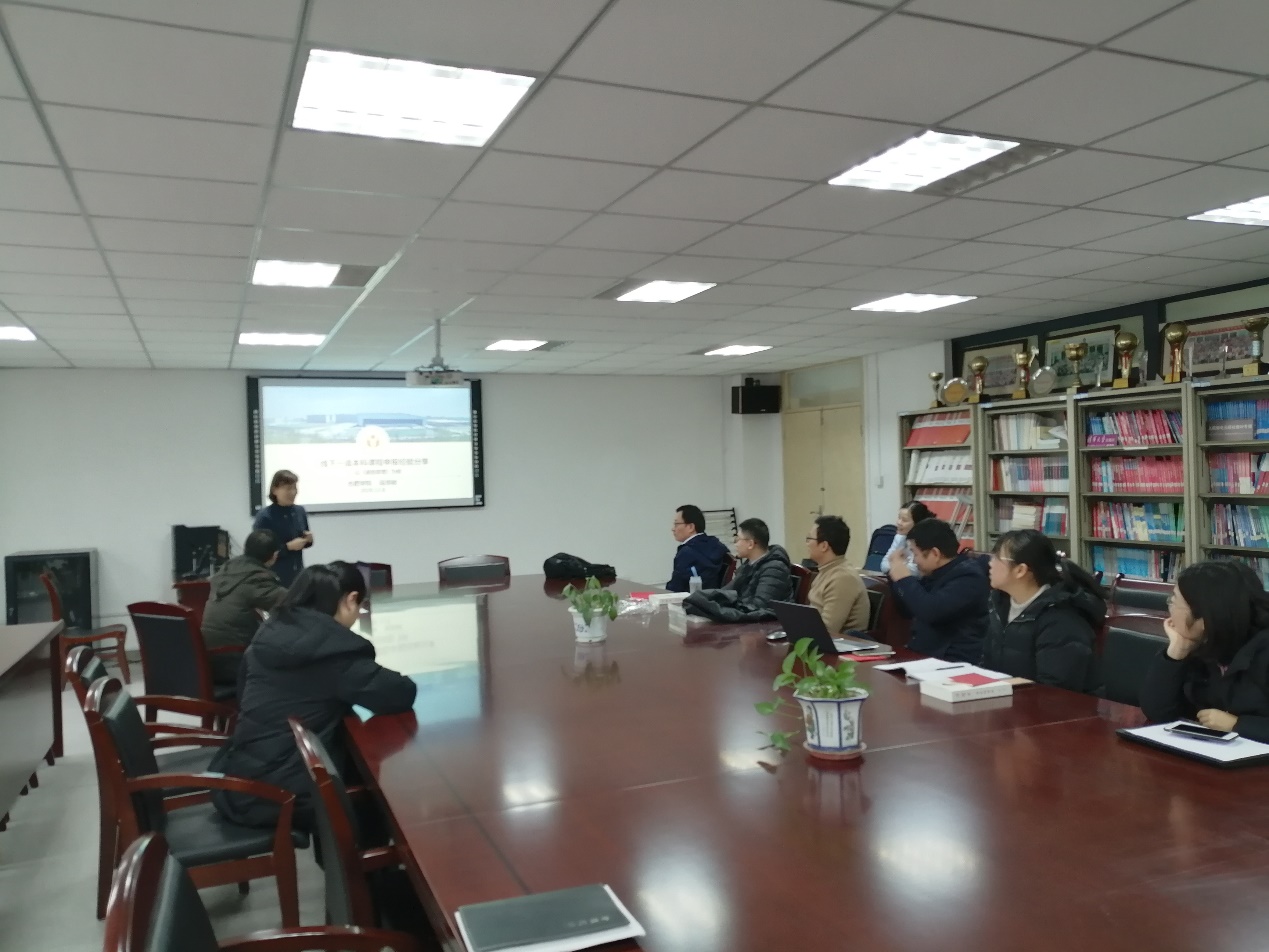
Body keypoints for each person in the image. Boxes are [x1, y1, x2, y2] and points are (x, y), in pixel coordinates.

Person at [210, 562, 416, 830]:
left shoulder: (269, 632)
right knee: (377, 792)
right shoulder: (333, 651)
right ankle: (364, 855)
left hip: (241, 778)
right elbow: (400, 692)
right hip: (281, 795)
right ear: (350, 600)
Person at [1140, 560, 1269, 742]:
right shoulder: (1201, 646)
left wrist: (1238, 724)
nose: (1169, 609)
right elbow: (1158, 712)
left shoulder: (1263, 650)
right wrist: (1176, 653)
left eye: (1174, 601)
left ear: (1203, 617)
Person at [981, 530, 1106, 691]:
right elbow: (987, 666)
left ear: (1020, 570)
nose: (990, 563)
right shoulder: (999, 604)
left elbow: (1054, 690)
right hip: (1007, 699)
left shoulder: (1060, 617)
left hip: (1052, 704)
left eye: (997, 557)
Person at [888, 519, 989, 662]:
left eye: (915, 554)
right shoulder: (935, 573)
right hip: (924, 654)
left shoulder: (969, 577)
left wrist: (904, 579)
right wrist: (896, 577)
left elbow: (931, 611)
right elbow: (908, 610)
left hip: (951, 660)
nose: (914, 561)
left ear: (935, 553)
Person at [200, 529, 288, 688]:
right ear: (274, 555)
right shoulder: (256, 577)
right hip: (232, 661)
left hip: (205, 660)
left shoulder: (226, 569)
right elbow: (290, 601)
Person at [683, 518, 793, 622]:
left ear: (750, 544)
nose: (735, 544)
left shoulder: (774, 569)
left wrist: (721, 608)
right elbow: (726, 592)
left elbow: (759, 608)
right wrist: (701, 599)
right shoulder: (749, 565)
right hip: (749, 622)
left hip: (767, 626)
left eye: (738, 539)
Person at [805, 515, 869, 634]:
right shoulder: (827, 570)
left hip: (839, 643)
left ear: (824, 546)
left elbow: (826, 630)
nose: (807, 543)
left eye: (809, 538)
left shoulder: (843, 578)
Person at [252, 469, 312, 587]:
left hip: (298, 574)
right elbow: (260, 552)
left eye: (295, 488)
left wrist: (308, 540)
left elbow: (303, 538)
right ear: (275, 490)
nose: (293, 492)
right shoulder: (265, 516)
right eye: (288, 489)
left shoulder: (300, 511)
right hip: (274, 577)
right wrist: (287, 547)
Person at [667, 504, 730, 592]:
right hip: (714, 597)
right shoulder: (718, 545)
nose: (673, 529)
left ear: (691, 527)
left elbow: (675, 587)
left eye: (676, 524)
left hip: (692, 598)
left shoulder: (686, 553)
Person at [883, 501, 934, 577]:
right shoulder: (899, 537)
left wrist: (896, 563)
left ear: (917, 523)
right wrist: (899, 565)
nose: (899, 522)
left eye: (904, 520)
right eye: (899, 518)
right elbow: (884, 565)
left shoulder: (924, 541)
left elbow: (917, 571)